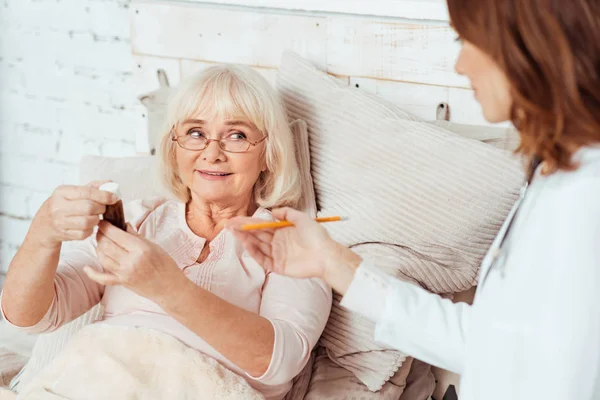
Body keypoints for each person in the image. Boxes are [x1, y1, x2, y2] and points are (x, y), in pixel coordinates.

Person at [227, 1, 600, 399]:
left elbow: (551, 376)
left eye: (468, 40)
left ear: (527, 43)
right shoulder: (557, 176)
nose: (460, 64)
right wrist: (330, 261)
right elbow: (493, 343)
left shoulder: (585, 197)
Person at [0, 64, 331, 400]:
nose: (212, 153)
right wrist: (43, 235)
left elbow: (281, 360)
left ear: (268, 155)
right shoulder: (137, 219)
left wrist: (166, 286)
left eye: (237, 136)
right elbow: (29, 319)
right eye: (196, 133)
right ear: (174, 146)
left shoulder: (294, 243)